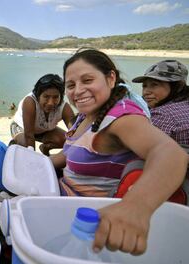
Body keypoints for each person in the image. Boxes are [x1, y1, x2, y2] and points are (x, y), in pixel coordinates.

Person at [51, 48, 187, 255]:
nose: (77, 91)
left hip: (82, 223)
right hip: (56, 196)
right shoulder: (87, 114)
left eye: (87, 80)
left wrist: (136, 207)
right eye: (70, 85)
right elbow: (66, 156)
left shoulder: (121, 117)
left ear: (111, 78)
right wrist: (34, 162)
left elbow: (170, 152)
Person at [10, 74, 75, 155]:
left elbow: (76, 134)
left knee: (67, 141)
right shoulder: (30, 102)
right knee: (25, 146)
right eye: (46, 97)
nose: (51, 103)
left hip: (44, 130)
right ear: (38, 95)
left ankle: (44, 148)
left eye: (55, 97)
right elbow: (29, 135)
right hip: (22, 128)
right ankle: (15, 144)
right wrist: (33, 160)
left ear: (61, 96)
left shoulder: (64, 107)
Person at [132, 60, 189, 146]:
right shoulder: (184, 104)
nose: (146, 92)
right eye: (144, 86)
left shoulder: (163, 115)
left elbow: (142, 147)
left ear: (178, 87)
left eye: (154, 85)